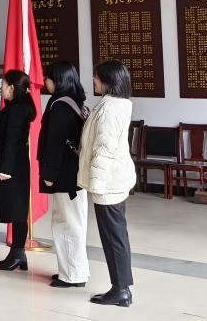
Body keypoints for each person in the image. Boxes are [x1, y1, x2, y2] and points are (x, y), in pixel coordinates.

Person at [78, 60, 137, 307]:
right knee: (117, 236)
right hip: (115, 179)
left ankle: (121, 290)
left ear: (108, 80)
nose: (94, 81)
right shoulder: (115, 104)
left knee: (113, 238)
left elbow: (104, 150)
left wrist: (97, 184)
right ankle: (121, 287)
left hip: (108, 182)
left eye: (97, 77)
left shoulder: (110, 109)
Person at [38, 60, 90, 288]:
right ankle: (74, 272)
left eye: (48, 77)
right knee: (74, 222)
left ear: (58, 80)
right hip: (74, 173)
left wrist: (49, 173)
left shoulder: (60, 105)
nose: (45, 82)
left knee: (66, 223)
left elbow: (55, 143)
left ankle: (72, 275)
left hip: (64, 174)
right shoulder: (76, 102)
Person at [0, 69, 35, 272]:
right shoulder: (15, 107)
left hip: (13, 167)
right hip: (14, 165)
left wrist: (5, 168)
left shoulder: (17, 110)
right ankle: (18, 253)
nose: (0, 88)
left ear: (11, 88)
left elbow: (12, 141)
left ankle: (18, 253)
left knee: (17, 210)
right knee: (16, 209)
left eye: (3, 84)